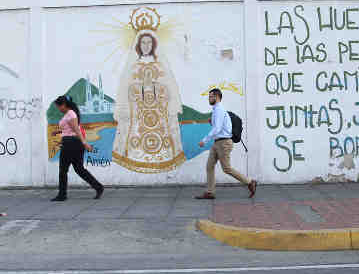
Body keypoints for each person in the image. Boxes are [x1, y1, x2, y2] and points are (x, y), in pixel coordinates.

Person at [112, 29, 185, 173]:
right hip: (138, 111)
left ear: (154, 44)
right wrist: (138, 90)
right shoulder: (133, 65)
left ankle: (163, 157)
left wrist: (155, 87)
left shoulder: (160, 64)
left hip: (159, 111)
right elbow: (125, 88)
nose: (146, 45)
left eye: (149, 42)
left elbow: (169, 87)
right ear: (139, 45)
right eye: (143, 42)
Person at [196, 89, 257, 200]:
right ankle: (210, 192)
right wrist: (212, 122)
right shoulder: (216, 110)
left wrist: (204, 140)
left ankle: (250, 182)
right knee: (209, 166)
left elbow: (217, 128)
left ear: (217, 97)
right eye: (209, 97)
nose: (209, 99)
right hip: (217, 143)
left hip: (224, 143)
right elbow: (220, 126)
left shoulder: (219, 109)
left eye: (211, 96)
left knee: (226, 168)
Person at [53, 95, 104, 201]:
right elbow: (70, 129)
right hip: (73, 143)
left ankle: (62, 195)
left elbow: (77, 129)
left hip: (70, 144)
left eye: (58, 106)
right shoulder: (69, 114)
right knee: (79, 169)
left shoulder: (70, 114)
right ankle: (98, 187)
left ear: (63, 105)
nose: (58, 109)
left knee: (63, 170)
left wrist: (85, 143)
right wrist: (58, 132)